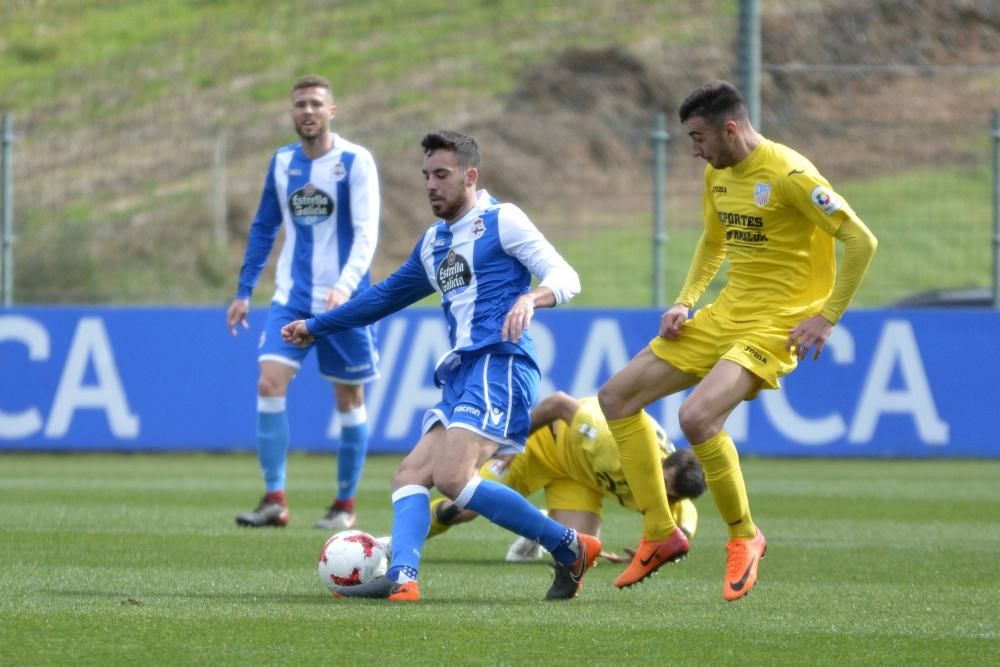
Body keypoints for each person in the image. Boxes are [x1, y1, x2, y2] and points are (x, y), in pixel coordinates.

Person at [282, 130, 600, 602]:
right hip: (461, 374)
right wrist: (319, 325)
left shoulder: (502, 220)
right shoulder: (434, 243)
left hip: (501, 363)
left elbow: (565, 276)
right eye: (426, 175)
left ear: (470, 176)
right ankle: (403, 576)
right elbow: (385, 296)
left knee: (452, 478)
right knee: (410, 476)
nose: (431, 184)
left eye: (442, 175)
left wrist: (531, 298)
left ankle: (569, 545)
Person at [597, 81, 878, 601]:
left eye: (699, 137)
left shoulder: (791, 175)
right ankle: (660, 532)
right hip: (726, 314)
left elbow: (861, 239)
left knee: (697, 418)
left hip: (778, 323)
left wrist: (828, 316)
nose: (695, 149)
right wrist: (685, 300)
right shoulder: (717, 174)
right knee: (616, 397)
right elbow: (713, 240)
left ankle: (744, 536)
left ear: (730, 128)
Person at [227, 75, 381, 531]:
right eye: (300, 104)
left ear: (331, 111)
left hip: (345, 304)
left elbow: (368, 232)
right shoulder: (281, 163)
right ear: (293, 113)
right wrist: (242, 291)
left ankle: (344, 505)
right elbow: (263, 227)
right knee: (269, 384)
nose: (307, 110)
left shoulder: (355, 161)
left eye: (316, 103)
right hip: (292, 298)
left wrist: (346, 286)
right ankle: (275, 498)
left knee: (349, 399)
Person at [418, 392, 706, 597]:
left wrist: (649, 555)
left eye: (670, 498)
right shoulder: (611, 444)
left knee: (578, 551)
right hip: (543, 445)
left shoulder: (675, 505)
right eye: (661, 488)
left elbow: (677, 536)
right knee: (464, 506)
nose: (661, 499)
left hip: (580, 480)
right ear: (657, 466)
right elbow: (558, 404)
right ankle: (395, 544)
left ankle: (537, 528)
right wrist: (510, 442)